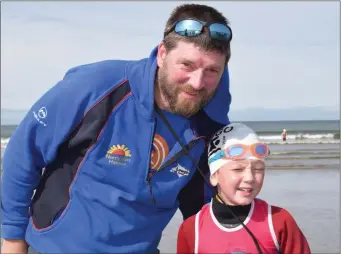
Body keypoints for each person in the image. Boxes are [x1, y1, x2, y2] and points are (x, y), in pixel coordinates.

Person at [1, 3, 234, 254]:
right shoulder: (95, 86)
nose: (197, 83)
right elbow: (24, 154)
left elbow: (201, 207)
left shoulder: (211, 122)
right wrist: (13, 238)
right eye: (187, 65)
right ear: (162, 53)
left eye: (212, 70)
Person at [177, 123, 311, 254]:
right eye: (238, 169)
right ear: (214, 176)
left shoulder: (279, 221)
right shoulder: (191, 229)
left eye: (258, 169)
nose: (249, 178)